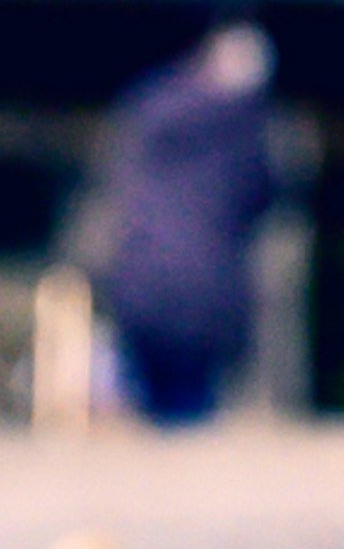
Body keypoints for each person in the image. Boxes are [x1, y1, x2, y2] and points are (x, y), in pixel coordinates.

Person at [84, 22, 279, 425]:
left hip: (138, 282)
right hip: (207, 292)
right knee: (188, 412)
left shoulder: (149, 105)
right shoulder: (243, 130)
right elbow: (264, 194)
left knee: (147, 405)